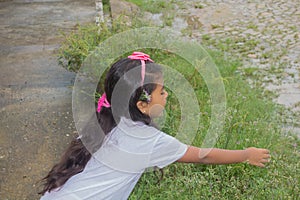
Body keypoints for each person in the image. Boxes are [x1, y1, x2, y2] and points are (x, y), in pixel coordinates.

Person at [39, 52, 270, 200]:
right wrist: (245, 154)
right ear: (142, 105)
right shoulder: (145, 140)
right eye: (162, 90)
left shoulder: (103, 120)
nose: (167, 94)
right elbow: (202, 156)